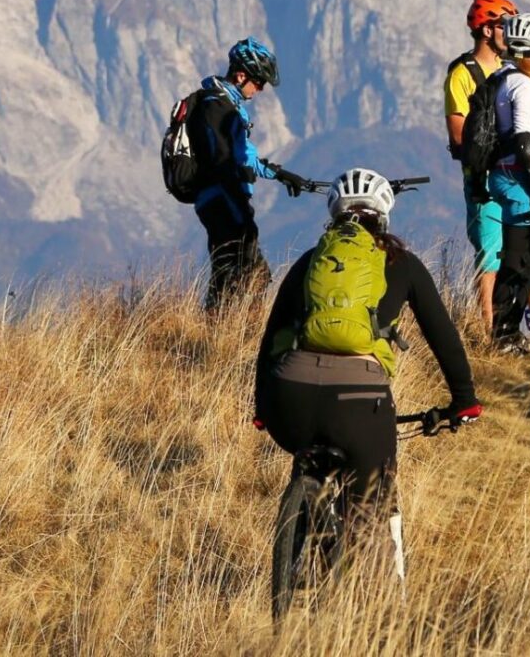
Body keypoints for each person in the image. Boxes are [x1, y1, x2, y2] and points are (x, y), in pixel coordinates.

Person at [252, 168, 481, 566]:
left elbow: (272, 338)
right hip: (359, 402)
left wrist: (262, 408)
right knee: (369, 516)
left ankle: (299, 549)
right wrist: (464, 401)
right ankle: (375, 615)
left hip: (288, 400)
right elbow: (443, 337)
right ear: (384, 216)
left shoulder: (312, 262)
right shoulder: (402, 264)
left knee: (307, 450)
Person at [186, 36, 312, 313]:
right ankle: (233, 337)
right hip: (222, 198)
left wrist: (282, 174)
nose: (261, 88)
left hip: (222, 197)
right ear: (241, 75)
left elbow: (247, 156)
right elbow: (220, 157)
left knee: (239, 272)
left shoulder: (228, 107)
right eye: (259, 81)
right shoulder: (216, 106)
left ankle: (225, 331)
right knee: (243, 274)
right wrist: (238, 193)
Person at [485, 13, 530, 353]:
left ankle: (506, 333)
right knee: (521, 261)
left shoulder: (501, 77)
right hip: (518, 179)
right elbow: (523, 140)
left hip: (501, 175)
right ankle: (504, 336)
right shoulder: (524, 84)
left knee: (521, 258)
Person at [444, 0, 519, 329]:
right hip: (483, 178)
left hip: (516, 174)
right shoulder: (462, 74)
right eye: (505, 25)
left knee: (526, 249)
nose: (511, 32)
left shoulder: (512, 70)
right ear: (487, 30)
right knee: (490, 254)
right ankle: (489, 332)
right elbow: (458, 133)